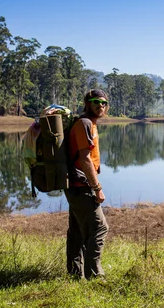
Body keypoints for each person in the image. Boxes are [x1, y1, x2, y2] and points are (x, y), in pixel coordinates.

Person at [65, 89, 109, 279]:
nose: (101, 106)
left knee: (77, 231)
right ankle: (94, 275)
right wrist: (97, 188)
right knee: (100, 228)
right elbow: (85, 159)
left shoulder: (90, 124)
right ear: (87, 103)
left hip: (75, 185)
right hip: (81, 186)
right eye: (96, 102)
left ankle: (75, 273)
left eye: (104, 103)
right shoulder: (84, 123)